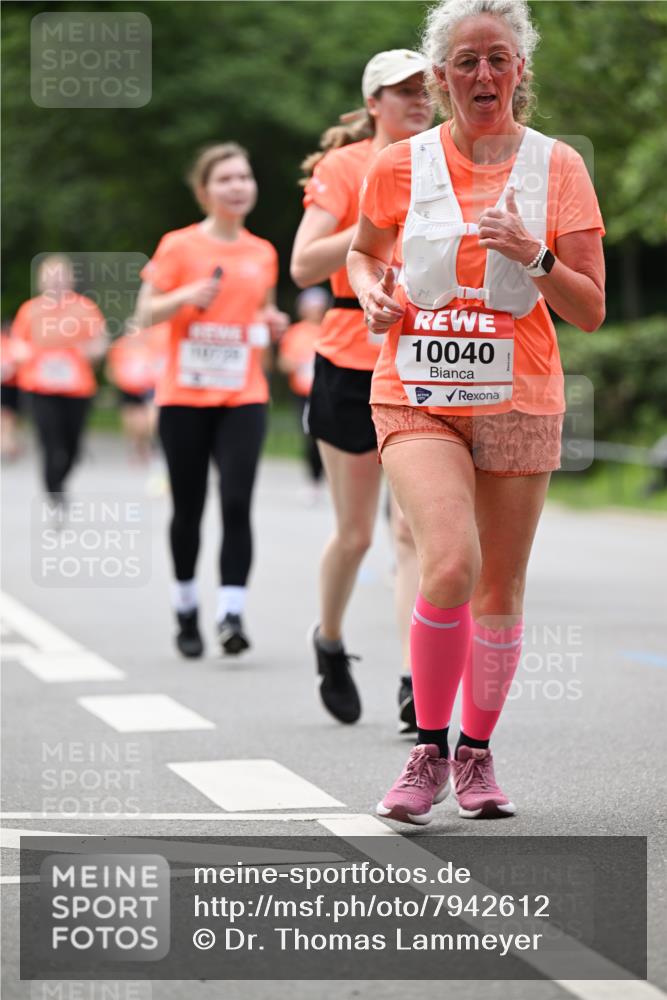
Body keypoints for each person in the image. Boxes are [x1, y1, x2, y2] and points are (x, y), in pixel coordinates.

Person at [348, 0, 605, 823]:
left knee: (499, 584)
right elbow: (362, 253)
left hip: (518, 397)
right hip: (415, 392)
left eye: (497, 58)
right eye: (465, 61)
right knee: (448, 562)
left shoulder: (557, 166)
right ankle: (427, 748)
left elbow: (591, 308)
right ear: (441, 76)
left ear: (519, 70)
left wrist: (531, 255)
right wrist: (371, 297)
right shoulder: (398, 163)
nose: (482, 74)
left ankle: (477, 753)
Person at [291, 50, 433, 730]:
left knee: (410, 529)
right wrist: (374, 226)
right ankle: (329, 640)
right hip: (350, 356)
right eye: (401, 92)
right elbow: (302, 264)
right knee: (355, 535)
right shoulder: (343, 168)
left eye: (425, 90)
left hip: (423, 358)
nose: (418, 100)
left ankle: (416, 681)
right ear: (372, 102)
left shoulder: (445, 165)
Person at [136, 143, 287, 660]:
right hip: (184, 396)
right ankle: (184, 607)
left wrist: (272, 324)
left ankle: (231, 612)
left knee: (238, 501)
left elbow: (262, 316)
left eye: (244, 177)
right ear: (205, 191)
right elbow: (145, 314)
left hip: (244, 394)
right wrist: (185, 297)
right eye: (225, 179)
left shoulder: (262, 252)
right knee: (189, 506)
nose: (238, 186)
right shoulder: (178, 246)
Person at [10, 255, 107, 503]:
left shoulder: (85, 308)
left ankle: (60, 479)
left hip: (77, 388)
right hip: (39, 387)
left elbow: (100, 341)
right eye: (50, 277)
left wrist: (93, 350)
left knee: (72, 445)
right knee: (50, 440)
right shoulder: (30, 310)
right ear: (41, 281)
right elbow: (17, 344)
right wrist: (23, 353)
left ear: (71, 280)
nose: (56, 282)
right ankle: (53, 488)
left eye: (61, 277)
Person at [277, 286, 328, 500]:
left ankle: (328, 477)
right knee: (310, 435)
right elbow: (283, 363)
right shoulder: (294, 332)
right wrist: (297, 364)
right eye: (311, 306)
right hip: (302, 392)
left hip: (326, 391)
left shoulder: (330, 329)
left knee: (326, 436)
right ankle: (314, 479)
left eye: (319, 307)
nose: (315, 311)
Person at [105, 322, 169, 463]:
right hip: (127, 388)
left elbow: (159, 364)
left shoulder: (151, 345)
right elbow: (112, 368)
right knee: (131, 423)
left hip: (147, 388)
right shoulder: (120, 346)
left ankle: (147, 445)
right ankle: (136, 445)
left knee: (149, 420)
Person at [1, 322, 22, 461]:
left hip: (11, 385)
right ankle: (7, 444)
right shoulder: (10, 344)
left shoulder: (10, 343)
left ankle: (8, 443)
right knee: (7, 416)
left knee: (7, 417)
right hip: (8, 385)